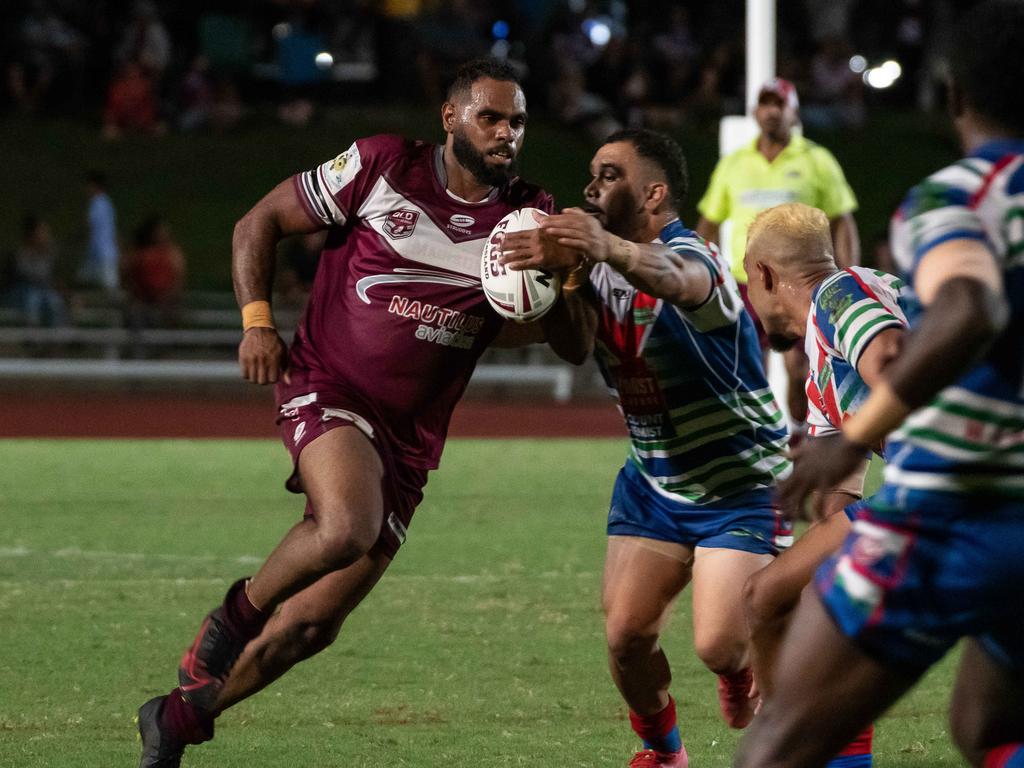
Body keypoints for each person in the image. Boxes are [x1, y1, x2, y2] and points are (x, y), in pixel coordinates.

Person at [135, 58, 594, 767]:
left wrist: (563, 281)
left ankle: (180, 718)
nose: (508, 134)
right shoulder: (383, 166)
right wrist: (258, 322)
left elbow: (569, 346)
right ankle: (231, 620)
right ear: (450, 118)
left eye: (519, 122)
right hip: (330, 387)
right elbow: (257, 222)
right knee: (347, 526)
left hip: (411, 442)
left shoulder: (531, 216)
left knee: (313, 626)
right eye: (492, 118)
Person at [734, 2, 1024, 766]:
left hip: (959, 507)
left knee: (765, 615)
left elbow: (931, 329)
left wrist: (849, 443)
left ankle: (795, 731)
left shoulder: (947, 205)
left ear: (956, 93)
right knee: (983, 724)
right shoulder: (868, 285)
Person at [501, 128, 792, 768]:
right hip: (656, 481)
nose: (590, 186)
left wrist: (604, 245)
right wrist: (558, 279)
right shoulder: (597, 271)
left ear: (654, 193)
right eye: (592, 174)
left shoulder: (701, 259)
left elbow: (675, 280)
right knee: (626, 636)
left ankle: (738, 674)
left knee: (718, 644)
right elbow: (575, 348)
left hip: (739, 484)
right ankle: (664, 754)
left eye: (610, 175)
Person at [739, 202, 910, 768]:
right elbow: (841, 498)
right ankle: (796, 720)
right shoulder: (820, 363)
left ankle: (784, 723)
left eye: (748, 278)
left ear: (763, 274)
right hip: (942, 486)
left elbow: (888, 359)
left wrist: (849, 441)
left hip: (958, 482)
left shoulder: (838, 296)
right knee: (802, 600)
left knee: (765, 596)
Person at [695, 78, 860, 437]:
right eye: (765, 103)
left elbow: (842, 218)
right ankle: (756, 441)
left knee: (801, 367)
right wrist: (703, 269)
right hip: (746, 283)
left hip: (801, 285)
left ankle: (801, 437)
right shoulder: (734, 164)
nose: (771, 111)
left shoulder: (816, 159)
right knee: (744, 367)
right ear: (754, 111)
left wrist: (847, 273)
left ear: (794, 112)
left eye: (779, 104)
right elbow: (709, 220)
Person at [123, 215, 186, 332]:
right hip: (143, 301)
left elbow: (178, 280)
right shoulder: (139, 254)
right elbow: (129, 277)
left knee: (168, 319)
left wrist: (168, 298)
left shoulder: (173, 254)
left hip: (166, 302)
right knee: (136, 315)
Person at [5, 213, 67, 327]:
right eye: (42, 231)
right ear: (32, 234)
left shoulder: (48, 254)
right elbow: (26, 277)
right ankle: (32, 338)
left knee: (54, 301)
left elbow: (49, 279)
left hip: (42, 292)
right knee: (33, 299)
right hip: (20, 292)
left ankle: (56, 339)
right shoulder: (20, 253)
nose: (46, 235)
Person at [78, 170, 120, 293]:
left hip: (101, 253)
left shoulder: (97, 203)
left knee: (110, 291)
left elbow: (89, 226)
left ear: (94, 186)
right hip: (99, 253)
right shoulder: (107, 203)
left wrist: (77, 239)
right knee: (84, 282)